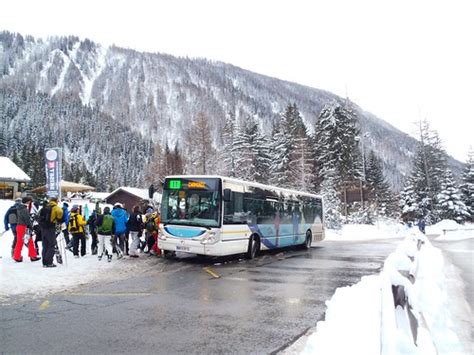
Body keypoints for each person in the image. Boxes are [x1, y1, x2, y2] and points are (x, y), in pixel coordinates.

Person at [13, 197, 41, 263]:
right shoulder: (24, 209)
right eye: (30, 201)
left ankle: (18, 256)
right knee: (26, 241)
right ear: (27, 202)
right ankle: (32, 256)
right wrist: (31, 227)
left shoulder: (20, 208)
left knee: (24, 241)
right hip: (23, 227)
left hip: (20, 226)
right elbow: (27, 219)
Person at [39, 196, 64, 268]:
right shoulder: (56, 208)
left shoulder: (44, 207)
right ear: (56, 201)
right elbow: (60, 216)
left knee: (45, 245)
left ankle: (44, 262)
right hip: (51, 227)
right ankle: (49, 262)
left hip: (43, 228)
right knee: (51, 245)